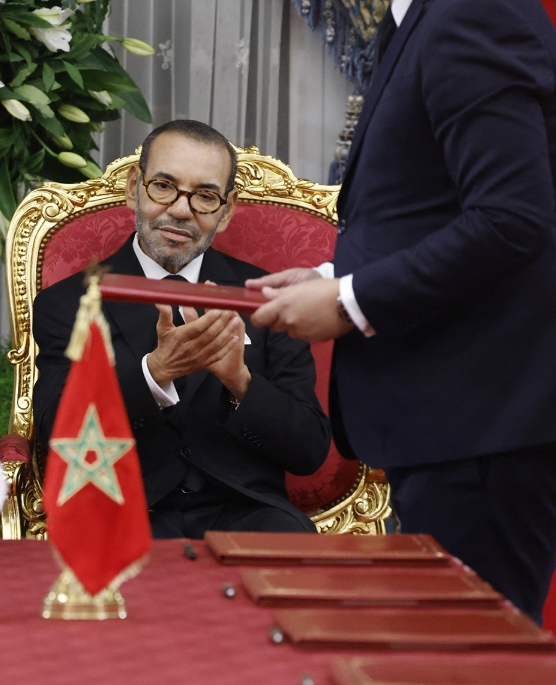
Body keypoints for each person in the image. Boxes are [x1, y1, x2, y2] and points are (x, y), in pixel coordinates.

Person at [249, 0, 556, 623]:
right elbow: (430, 205)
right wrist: (334, 277)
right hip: (456, 425)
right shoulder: (427, 19)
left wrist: (348, 301)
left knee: (467, 659)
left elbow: (512, 219)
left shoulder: (474, 12)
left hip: (480, 425)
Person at [32, 120, 331, 539]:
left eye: (205, 196)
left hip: (250, 515)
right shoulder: (70, 302)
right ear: (134, 184)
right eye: (163, 186)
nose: (179, 209)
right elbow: (55, 436)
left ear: (226, 210)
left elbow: (309, 451)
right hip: (120, 513)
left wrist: (240, 381)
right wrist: (153, 374)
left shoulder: (263, 298)